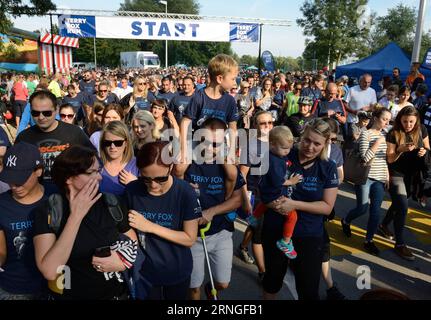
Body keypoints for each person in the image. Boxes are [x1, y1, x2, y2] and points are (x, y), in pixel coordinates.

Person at [33, 145, 138, 300]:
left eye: (98, 170)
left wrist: (123, 262)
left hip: (116, 294)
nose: (100, 177)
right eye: (91, 172)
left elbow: (132, 242)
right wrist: (75, 217)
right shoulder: (50, 210)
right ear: (68, 178)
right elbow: (50, 270)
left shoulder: (111, 203)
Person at [261, 119, 338, 300]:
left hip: (309, 234)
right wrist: (271, 203)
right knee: (271, 283)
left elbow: (327, 207)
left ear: (326, 144)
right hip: (276, 229)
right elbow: (262, 186)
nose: (309, 147)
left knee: (308, 290)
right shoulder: (283, 154)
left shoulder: (328, 167)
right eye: (307, 140)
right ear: (301, 136)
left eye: (317, 143)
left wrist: (294, 204)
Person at [175, 118, 244, 300]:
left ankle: (210, 288)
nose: (210, 147)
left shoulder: (227, 165)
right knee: (193, 286)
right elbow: (177, 179)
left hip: (221, 231)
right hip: (193, 235)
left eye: (216, 143)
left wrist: (211, 212)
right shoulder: (189, 159)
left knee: (222, 283)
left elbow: (237, 201)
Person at [125, 141, 201, 300]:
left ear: (171, 168)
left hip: (177, 271)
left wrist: (149, 226)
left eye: (160, 179)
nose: (153, 185)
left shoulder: (185, 192)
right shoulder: (132, 190)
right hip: (144, 273)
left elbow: (189, 238)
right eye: (145, 178)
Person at [180, 54, 239, 200]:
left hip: (219, 145)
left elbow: (232, 127)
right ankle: (180, 195)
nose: (235, 82)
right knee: (179, 168)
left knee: (232, 174)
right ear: (220, 78)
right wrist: (183, 148)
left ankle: (225, 200)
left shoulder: (229, 101)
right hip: (197, 142)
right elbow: (185, 122)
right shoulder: (199, 97)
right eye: (232, 78)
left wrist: (231, 151)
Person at [15, 90, 94, 193]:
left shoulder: (74, 132)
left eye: (47, 113)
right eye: (35, 113)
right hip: (35, 198)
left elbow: (93, 159)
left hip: (69, 195)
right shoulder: (23, 138)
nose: (41, 117)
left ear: (56, 110)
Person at [379, 106, 430, 260]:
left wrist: (424, 151)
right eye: (405, 121)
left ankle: (383, 225)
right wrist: (400, 149)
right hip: (396, 174)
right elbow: (389, 159)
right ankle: (400, 244)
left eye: (411, 122)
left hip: (413, 176)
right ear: (400, 119)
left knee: (399, 204)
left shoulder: (422, 129)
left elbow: (428, 147)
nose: (408, 125)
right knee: (402, 206)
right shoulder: (393, 133)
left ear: (417, 121)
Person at [341, 108, 392, 255]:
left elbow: (384, 159)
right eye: (384, 119)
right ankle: (346, 220)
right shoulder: (366, 133)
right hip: (365, 177)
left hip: (380, 178)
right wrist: (378, 143)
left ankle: (369, 240)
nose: (387, 122)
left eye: (388, 120)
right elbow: (364, 157)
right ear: (375, 118)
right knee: (362, 208)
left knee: (375, 212)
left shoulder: (385, 135)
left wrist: (387, 176)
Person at [0, 143, 47, 300]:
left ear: (38, 171)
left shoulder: (56, 199)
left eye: (20, 179)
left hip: (56, 285)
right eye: (10, 179)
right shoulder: (2, 204)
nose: (14, 186)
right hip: (13, 289)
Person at [250, 126, 302, 259]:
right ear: (272, 144)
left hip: (265, 193)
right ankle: (285, 242)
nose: (287, 151)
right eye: (284, 148)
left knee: (265, 203)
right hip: (274, 195)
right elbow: (278, 181)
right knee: (292, 216)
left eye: (289, 148)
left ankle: (254, 217)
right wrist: (292, 181)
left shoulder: (271, 154)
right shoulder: (275, 161)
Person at [238, 111, 273, 280]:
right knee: (258, 229)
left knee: (255, 226)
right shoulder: (250, 146)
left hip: (272, 195)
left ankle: (243, 247)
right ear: (255, 126)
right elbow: (241, 175)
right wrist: (245, 200)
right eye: (263, 123)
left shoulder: (276, 143)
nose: (267, 126)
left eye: (270, 123)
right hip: (255, 197)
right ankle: (263, 271)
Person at [99, 121, 138, 196]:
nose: (112, 147)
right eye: (108, 142)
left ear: (126, 143)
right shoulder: (95, 166)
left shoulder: (137, 165)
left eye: (118, 143)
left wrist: (135, 184)